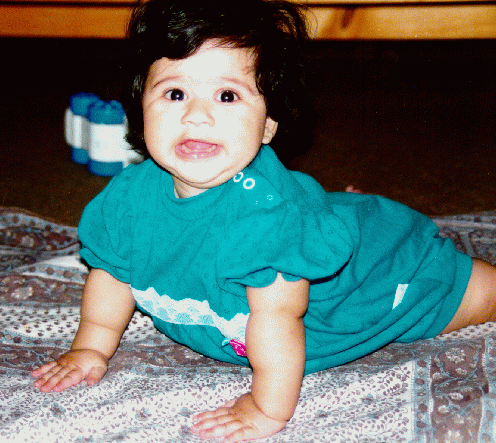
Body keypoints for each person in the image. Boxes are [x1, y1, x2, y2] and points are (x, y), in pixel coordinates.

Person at [32, 0, 496, 441]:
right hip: (279, 241)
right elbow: (113, 274)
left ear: (268, 124)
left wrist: (267, 408)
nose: (197, 115)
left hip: (371, 285)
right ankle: (333, 210)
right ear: (140, 111)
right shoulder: (127, 199)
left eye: (227, 95)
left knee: (476, 293)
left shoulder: (266, 224)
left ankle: (362, 227)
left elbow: (277, 319)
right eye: (175, 93)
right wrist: (91, 346)